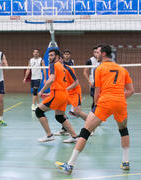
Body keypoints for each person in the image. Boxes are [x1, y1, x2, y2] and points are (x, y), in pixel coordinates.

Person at [55, 45, 134, 174]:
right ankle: (125, 162)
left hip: (105, 102)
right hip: (120, 102)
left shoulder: (99, 68)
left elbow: (97, 93)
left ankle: (70, 165)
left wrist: (96, 108)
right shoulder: (122, 69)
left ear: (103, 54)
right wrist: (118, 98)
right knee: (123, 130)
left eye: (97, 52)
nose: (95, 54)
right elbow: (131, 91)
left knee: (85, 131)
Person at [36, 49, 78, 143]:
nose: (49, 57)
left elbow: (51, 79)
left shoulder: (53, 65)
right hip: (64, 94)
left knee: (39, 111)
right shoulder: (62, 66)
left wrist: (41, 91)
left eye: (52, 55)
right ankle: (75, 137)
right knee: (59, 116)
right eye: (49, 55)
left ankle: (49, 135)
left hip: (58, 94)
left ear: (58, 57)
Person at [55, 64, 88, 139]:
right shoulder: (56, 69)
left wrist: (65, 89)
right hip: (66, 92)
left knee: (77, 111)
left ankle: (91, 127)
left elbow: (76, 83)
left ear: (60, 59)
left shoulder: (68, 69)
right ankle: (65, 129)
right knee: (60, 111)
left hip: (74, 92)